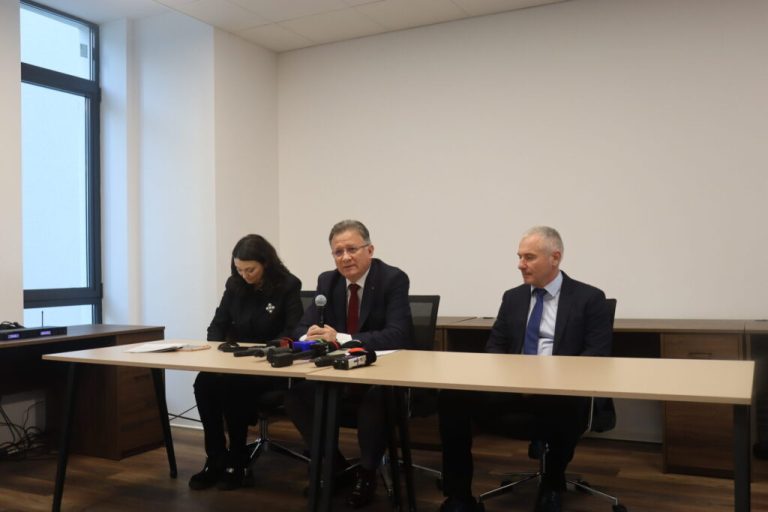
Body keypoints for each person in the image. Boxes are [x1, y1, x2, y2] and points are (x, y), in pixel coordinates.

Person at [438, 226, 612, 512]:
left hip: (561, 392)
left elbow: (596, 357)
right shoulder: (513, 298)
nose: (520, 264)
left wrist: (546, 383)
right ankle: (459, 496)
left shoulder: (589, 298)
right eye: (519, 257)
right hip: (513, 390)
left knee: (566, 405)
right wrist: (513, 382)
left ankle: (552, 484)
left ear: (555, 257)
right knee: (451, 397)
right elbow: (495, 348)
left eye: (529, 257)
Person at [284, 219, 412, 509]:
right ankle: (334, 466)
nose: (345, 258)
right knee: (296, 397)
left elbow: (398, 334)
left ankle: (367, 474)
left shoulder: (392, 279)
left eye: (352, 249)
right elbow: (300, 328)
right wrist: (310, 334)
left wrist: (340, 338)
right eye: (338, 252)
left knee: (375, 400)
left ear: (370, 250)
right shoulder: (327, 282)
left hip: (380, 376)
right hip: (340, 375)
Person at [189, 234, 303, 491]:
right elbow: (217, 325)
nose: (244, 275)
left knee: (233, 386)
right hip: (235, 361)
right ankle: (215, 457)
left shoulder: (287, 285)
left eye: (250, 269)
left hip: (269, 364)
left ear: (266, 263)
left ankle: (237, 459)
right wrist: (215, 353)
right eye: (239, 269)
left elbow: (294, 330)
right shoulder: (234, 285)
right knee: (204, 383)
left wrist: (266, 350)